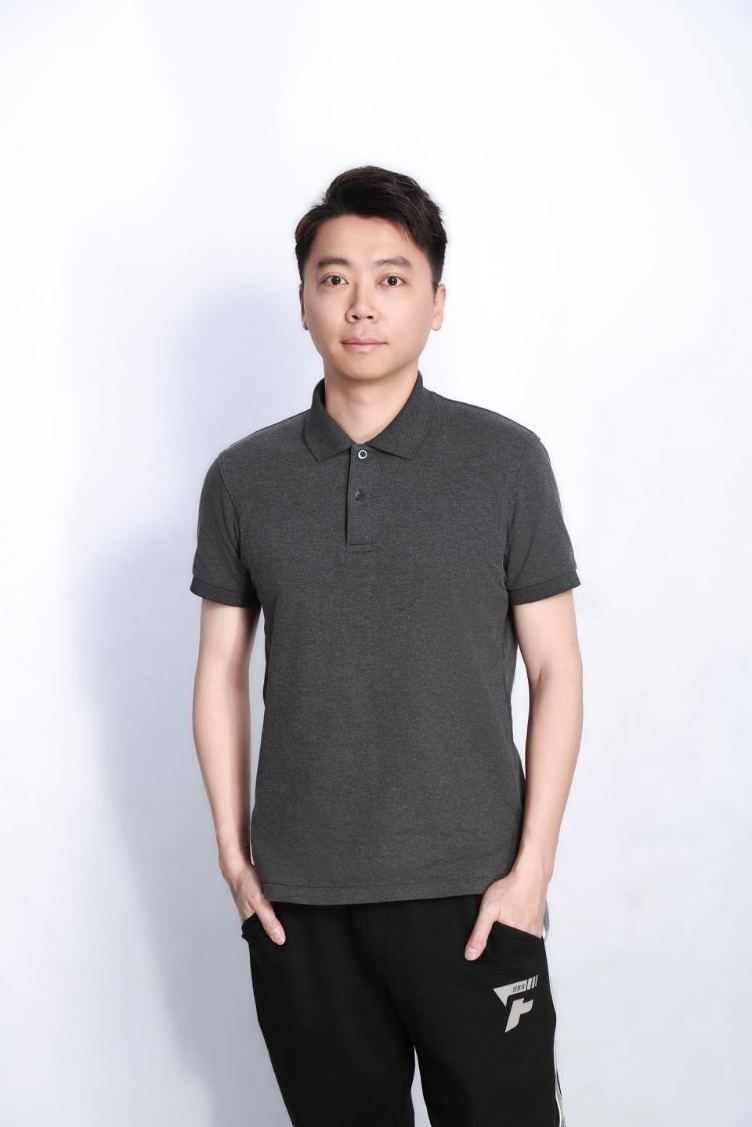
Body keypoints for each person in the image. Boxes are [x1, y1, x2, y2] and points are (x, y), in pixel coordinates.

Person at [190, 165, 583, 1126]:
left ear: (437, 303)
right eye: (334, 277)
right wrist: (236, 859)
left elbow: (556, 669)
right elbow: (221, 672)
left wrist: (532, 869)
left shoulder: (506, 461)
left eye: (392, 277)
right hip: (302, 904)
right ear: (303, 301)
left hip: (475, 896)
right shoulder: (243, 478)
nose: (361, 303)